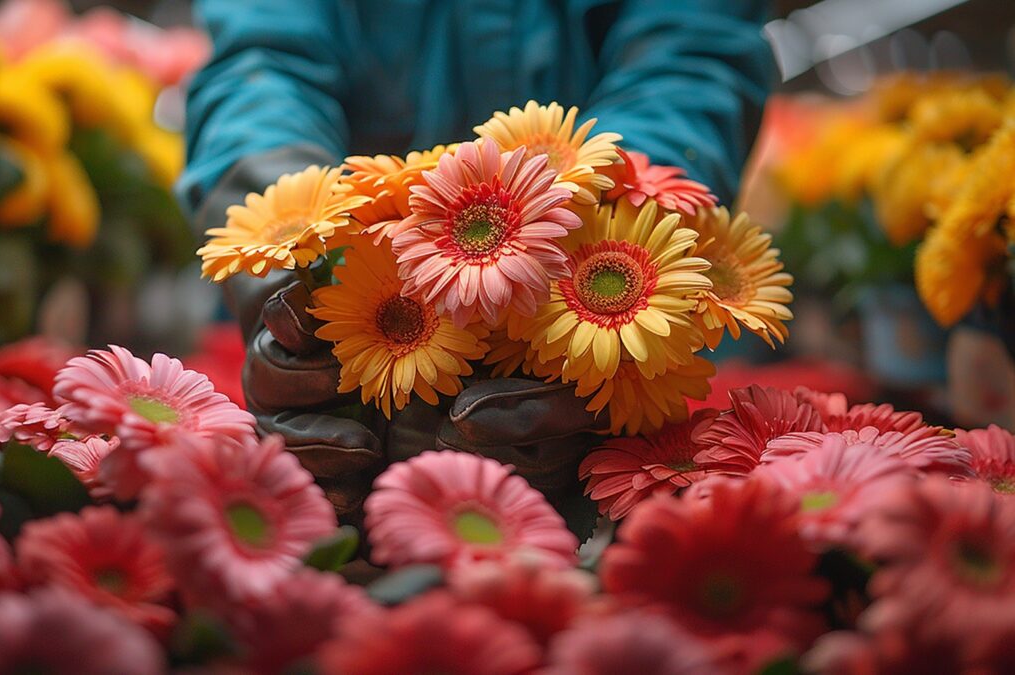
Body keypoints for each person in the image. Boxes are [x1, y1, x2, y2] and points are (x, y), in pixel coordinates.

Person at [178, 0, 774, 518]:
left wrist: (601, 229)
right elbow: (260, 63)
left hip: (573, 329)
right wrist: (285, 277)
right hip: (354, 301)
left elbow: (691, 58)